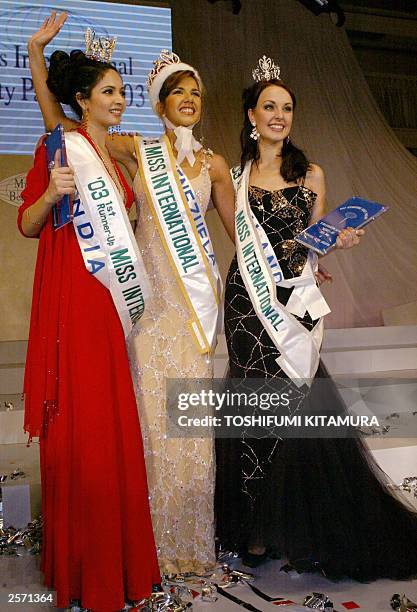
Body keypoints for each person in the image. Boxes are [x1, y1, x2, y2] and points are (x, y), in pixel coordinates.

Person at [27, 14, 235, 574]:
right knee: (146, 422)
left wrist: (307, 258)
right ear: (159, 103)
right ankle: (151, 547)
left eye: (195, 92)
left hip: (192, 303)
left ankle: (191, 544)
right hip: (144, 303)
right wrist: (35, 59)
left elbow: (243, 235)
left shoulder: (214, 163)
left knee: (189, 425)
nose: (189, 99)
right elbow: (64, 128)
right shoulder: (133, 149)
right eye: (177, 93)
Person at [215, 57, 417, 580]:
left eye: (286, 108)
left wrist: (337, 244)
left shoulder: (311, 174)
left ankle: (294, 523)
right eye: (269, 107)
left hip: (294, 307)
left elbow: (315, 245)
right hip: (247, 304)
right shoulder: (234, 178)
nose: (278, 116)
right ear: (251, 115)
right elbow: (241, 244)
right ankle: (256, 526)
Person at [19, 22, 159, 610]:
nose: (119, 99)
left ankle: (121, 565)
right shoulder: (60, 146)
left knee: (114, 424)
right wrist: (51, 194)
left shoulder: (116, 153)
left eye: (121, 91)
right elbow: (27, 223)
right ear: (83, 101)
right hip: (76, 303)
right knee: (86, 424)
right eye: (108, 91)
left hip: (111, 304)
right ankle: (87, 568)